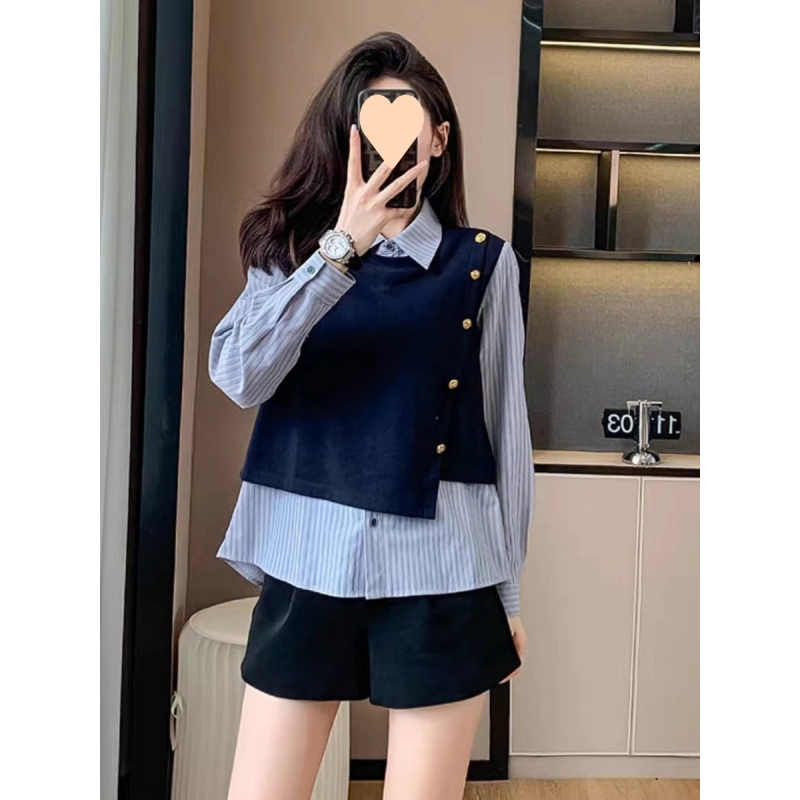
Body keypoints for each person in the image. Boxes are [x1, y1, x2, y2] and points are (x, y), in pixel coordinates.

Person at [209, 30, 535, 800]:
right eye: (372, 120)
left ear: (439, 138)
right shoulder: (288, 248)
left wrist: (509, 597)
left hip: (445, 570)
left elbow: (506, 438)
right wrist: (340, 250)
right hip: (308, 558)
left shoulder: (483, 264)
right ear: (346, 133)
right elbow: (239, 375)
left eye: (408, 119)